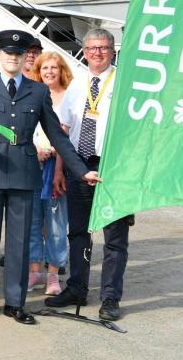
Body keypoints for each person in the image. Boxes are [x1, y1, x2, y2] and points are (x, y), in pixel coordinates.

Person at [0, 30, 95, 325]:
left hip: (24, 175)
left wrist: (81, 170)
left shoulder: (38, 92)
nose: (12, 57)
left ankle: (15, 303)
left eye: (18, 54)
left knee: (20, 242)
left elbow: (58, 137)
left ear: (25, 58)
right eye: (7, 53)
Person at [46, 28, 126, 321]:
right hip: (78, 164)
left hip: (112, 166)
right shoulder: (77, 83)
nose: (97, 53)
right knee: (78, 231)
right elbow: (64, 130)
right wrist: (59, 169)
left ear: (112, 50)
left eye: (103, 47)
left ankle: (110, 297)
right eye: (92, 48)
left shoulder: (125, 83)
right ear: (85, 51)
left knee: (114, 235)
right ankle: (77, 288)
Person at [28, 50, 74, 296]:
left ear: (61, 70)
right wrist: (34, 150)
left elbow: (70, 134)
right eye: (44, 68)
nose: (49, 72)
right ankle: (34, 271)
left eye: (53, 67)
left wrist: (58, 161)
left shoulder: (70, 97)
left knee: (56, 223)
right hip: (32, 164)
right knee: (32, 221)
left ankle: (53, 275)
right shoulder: (31, 95)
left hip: (58, 166)